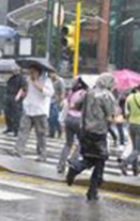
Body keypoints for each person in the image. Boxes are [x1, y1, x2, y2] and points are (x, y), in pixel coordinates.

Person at [66, 73, 117, 201]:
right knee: (99, 159)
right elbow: (110, 116)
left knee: (90, 156)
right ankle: (84, 177)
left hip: (84, 129)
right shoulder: (107, 96)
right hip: (99, 131)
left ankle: (89, 184)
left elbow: (75, 105)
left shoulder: (88, 92)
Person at [11, 65, 54, 162]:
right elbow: (25, 90)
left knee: (41, 134)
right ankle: (18, 151)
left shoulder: (46, 80)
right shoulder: (27, 80)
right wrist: (21, 95)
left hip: (40, 111)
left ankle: (42, 154)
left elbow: (50, 93)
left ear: (38, 71)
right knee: (23, 131)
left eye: (33, 72)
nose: (31, 74)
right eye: (30, 71)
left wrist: (38, 85)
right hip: (28, 109)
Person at [57, 77, 88, 173]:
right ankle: (73, 160)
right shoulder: (85, 94)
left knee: (68, 143)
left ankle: (60, 165)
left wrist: (62, 120)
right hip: (79, 120)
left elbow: (67, 106)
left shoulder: (71, 93)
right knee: (81, 143)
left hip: (69, 118)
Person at [121, 86, 140, 176]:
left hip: (131, 125)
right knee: (137, 149)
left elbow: (126, 113)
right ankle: (125, 163)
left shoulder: (130, 97)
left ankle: (135, 170)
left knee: (134, 148)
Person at [3, 66, 26, 136]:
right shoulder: (11, 77)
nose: (14, 71)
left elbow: (23, 88)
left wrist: (18, 96)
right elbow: (6, 82)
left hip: (16, 97)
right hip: (9, 96)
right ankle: (9, 127)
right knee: (7, 113)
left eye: (16, 70)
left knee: (16, 115)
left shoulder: (21, 78)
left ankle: (16, 130)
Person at [48, 71, 66, 138]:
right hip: (49, 100)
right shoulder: (49, 80)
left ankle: (59, 131)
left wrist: (61, 101)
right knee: (50, 118)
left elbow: (63, 91)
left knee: (55, 117)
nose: (50, 75)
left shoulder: (60, 81)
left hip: (57, 101)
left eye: (51, 73)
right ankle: (51, 132)